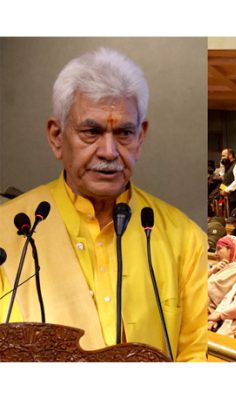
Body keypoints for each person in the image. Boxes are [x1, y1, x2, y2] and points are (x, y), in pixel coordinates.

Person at [0, 48, 209, 360]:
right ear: (57, 137)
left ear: (141, 136)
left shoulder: (185, 239)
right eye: (91, 131)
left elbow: (195, 353)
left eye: (124, 132)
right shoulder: (9, 232)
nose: (109, 151)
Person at [208, 235, 236, 313]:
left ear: (231, 250)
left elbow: (209, 289)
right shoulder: (219, 267)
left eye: (219, 249)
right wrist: (213, 270)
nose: (215, 254)